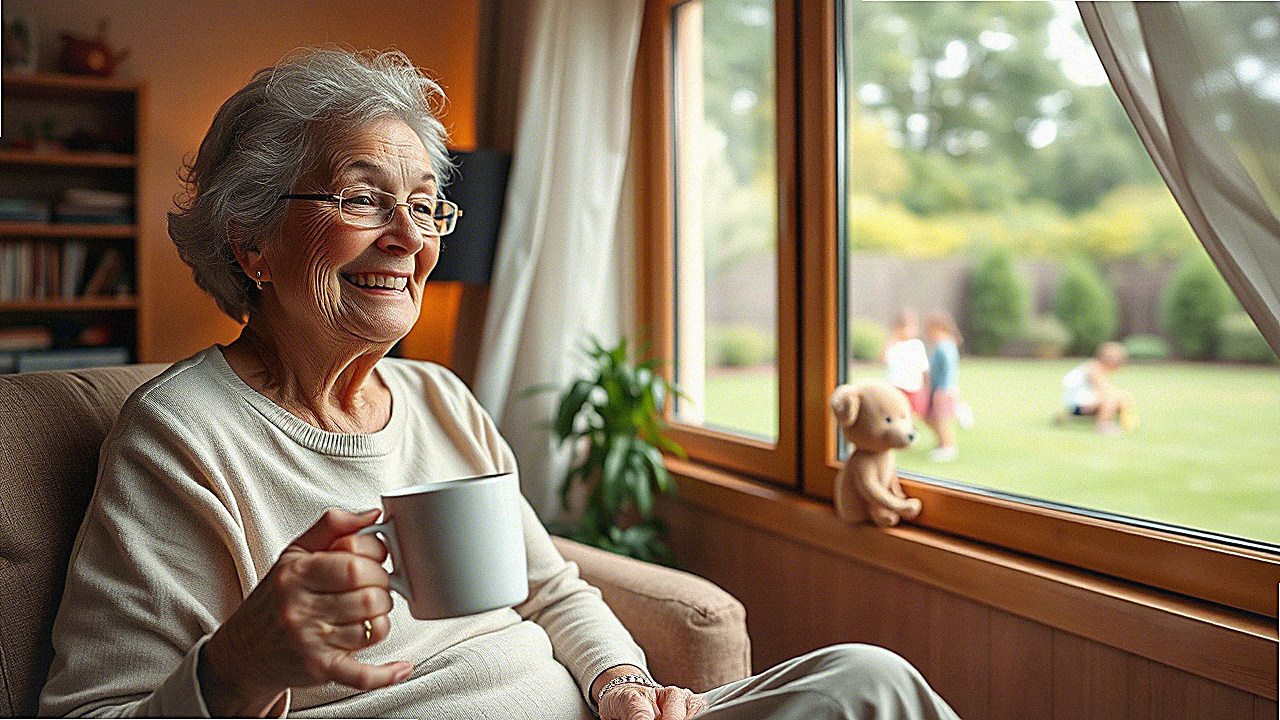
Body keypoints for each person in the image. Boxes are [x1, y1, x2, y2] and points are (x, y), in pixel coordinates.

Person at [39, 49, 962, 720]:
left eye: (424, 204)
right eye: (362, 198)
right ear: (251, 242)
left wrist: (625, 686)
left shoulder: (441, 400)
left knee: (864, 678)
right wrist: (236, 667)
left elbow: (551, 589)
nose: (409, 237)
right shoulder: (182, 437)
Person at [1058, 340, 1137, 435]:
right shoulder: (1093, 369)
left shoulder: (1092, 366)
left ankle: (1064, 417)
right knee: (1113, 398)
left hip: (1076, 404)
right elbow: (1104, 390)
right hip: (1078, 406)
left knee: (1117, 397)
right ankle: (1102, 426)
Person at [923, 314, 967, 462]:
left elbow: (947, 370)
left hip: (943, 389)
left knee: (939, 419)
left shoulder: (945, 346)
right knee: (931, 417)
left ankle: (948, 447)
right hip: (939, 388)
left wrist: (942, 389)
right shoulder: (945, 345)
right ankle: (943, 444)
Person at [882, 308, 931, 419]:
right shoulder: (893, 344)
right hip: (896, 388)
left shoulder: (916, 345)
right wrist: (892, 338)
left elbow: (924, 369)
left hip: (913, 389)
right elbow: (883, 360)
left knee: (911, 418)